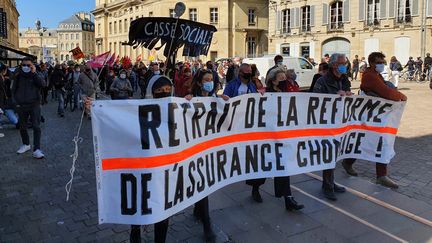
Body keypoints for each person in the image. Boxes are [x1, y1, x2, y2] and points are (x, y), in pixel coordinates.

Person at [131, 75, 216, 243]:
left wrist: (220, 103)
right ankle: (135, 234)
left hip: (168, 170)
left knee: (163, 211)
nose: (164, 94)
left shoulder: (176, 108)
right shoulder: (138, 110)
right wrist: (94, 108)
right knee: (140, 207)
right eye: (159, 91)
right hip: (145, 169)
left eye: (167, 91)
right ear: (151, 93)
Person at [342, 52, 407, 189]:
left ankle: (379, 175)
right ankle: (353, 164)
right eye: (379, 62)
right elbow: (387, 93)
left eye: (383, 62)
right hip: (370, 116)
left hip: (377, 115)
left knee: (377, 141)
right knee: (372, 140)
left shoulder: (376, 75)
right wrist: (401, 95)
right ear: (371, 63)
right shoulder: (370, 76)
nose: (382, 65)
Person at [312, 53, 351, 201]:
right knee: (328, 153)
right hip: (326, 123)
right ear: (334, 65)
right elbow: (315, 100)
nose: (345, 65)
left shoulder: (344, 78)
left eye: (345, 63)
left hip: (340, 122)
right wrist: (335, 95)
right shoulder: (322, 81)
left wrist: (347, 94)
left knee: (335, 154)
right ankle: (327, 186)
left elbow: (347, 93)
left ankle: (330, 182)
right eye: (342, 63)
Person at [12, 57, 46, 159]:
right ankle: (26, 144)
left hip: (34, 104)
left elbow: (43, 84)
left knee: (36, 126)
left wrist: (34, 73)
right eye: (24, 65)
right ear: (21, 65)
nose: (26, 67)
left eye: (28, 65)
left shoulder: (36, 74)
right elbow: (13, 89)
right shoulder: (17, 75)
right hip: (21, 105)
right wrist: (15, 102)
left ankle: (37, 149)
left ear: (32, 65)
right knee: (22, 127)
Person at [0, 64, 18, 128]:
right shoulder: (2, 80)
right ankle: (1, 122)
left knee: (17, 121)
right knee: (15, 121)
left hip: (12, 103)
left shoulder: (9, 78)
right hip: (5, 105)